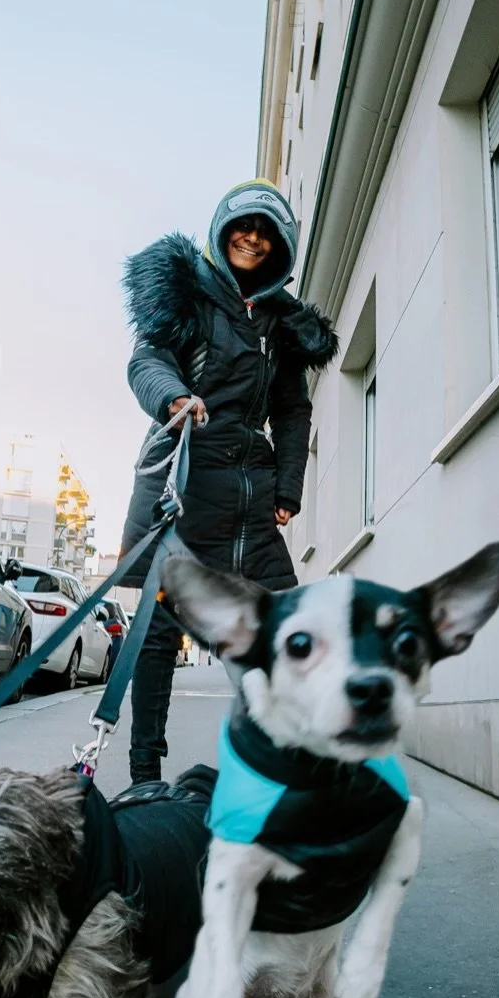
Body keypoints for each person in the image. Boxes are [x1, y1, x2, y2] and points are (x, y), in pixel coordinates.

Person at [118, 180, 338, 786]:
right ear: (223, 230)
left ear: (280, 248)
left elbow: (292, 411)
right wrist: (175, 398)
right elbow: (146, 361)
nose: (253, 239)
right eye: (244, 226)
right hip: (185, 486)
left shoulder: (282, 324)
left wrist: (288, 489)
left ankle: (279, 762)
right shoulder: (187, 295)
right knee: (158, 636)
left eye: (267, 233)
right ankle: (144, 776)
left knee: (282, 630)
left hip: (251, 499)